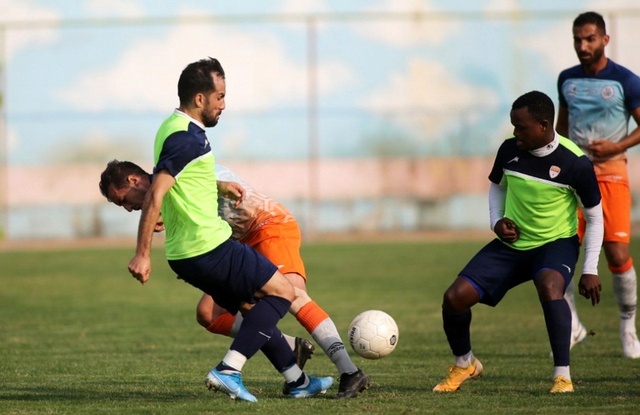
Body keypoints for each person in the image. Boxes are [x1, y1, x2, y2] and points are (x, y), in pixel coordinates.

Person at [123, 57, 333, 402]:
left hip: (188, 253)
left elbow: (181, 181)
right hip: (208, 246)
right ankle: (229, 369)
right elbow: (157, 192)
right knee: (283, 292)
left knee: (252, 309)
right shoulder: (186, 138)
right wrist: (142, 253)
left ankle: (297, 380)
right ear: (200, 99)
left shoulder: (171, 129)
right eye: (219, 96)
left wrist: (217, 186)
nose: (224, 103)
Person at [99, 160, 371, 398]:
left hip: (267, 225)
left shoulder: (173, 173)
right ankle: (292, 360)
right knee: (209, 313)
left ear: (134, 180)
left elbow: (202, 182)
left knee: (293, 296)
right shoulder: (165, 196)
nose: (126, 208)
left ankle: (349, 371)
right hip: (236, 245)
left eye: (121, 199)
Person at [432, 91, 604, 394]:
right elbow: (497, 187)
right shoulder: (510, 149)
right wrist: (496, 222)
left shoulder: (575, 163)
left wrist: (590, 269)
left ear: (543, 125)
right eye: (513, 126)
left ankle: (562, 376)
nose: (514, 133)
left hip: (555, 244)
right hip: (512, 245)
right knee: (454, 297)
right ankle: (465, 363)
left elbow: (595, 218)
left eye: (521, 127)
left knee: (551, 285)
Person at [556, 11, 640, 359]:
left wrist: (617, 146)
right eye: (578, 39)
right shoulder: (566, 80)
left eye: (590, 38)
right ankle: (573, 326)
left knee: (616, 253)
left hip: (611, 174)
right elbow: (560, 129)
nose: (583, 45)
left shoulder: (625, 81)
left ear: (605, 40)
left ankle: (627, 327)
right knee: (560, 251)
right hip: (573, 179)